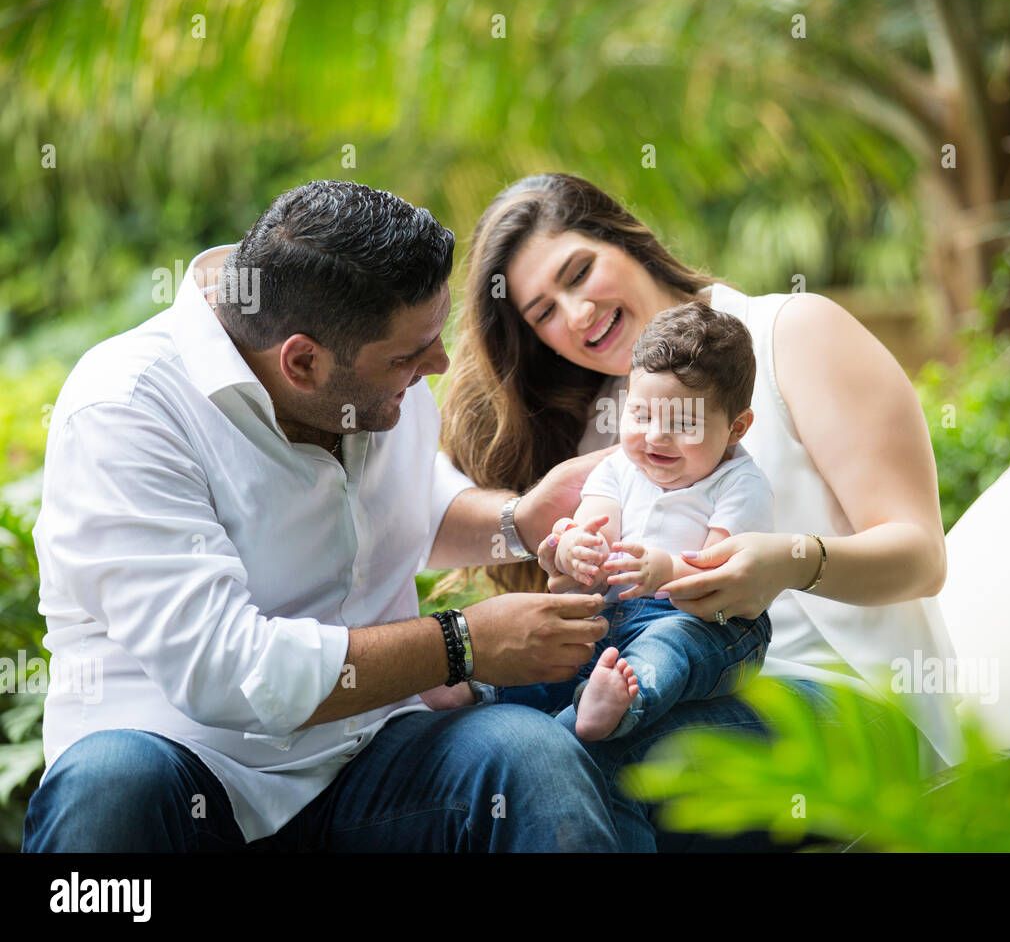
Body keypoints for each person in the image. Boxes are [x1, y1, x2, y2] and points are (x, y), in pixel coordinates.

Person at [23, 180, 621, 852]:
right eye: (410, 357)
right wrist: (460, 645)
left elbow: (407, 502)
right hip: (186, 775)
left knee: (526, 756)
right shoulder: (125, 409)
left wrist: (518, 521)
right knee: (110, 783)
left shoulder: (374, 372)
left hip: (369, 758)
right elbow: (225, 668)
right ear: (302, 361)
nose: (440, 365)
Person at [439, 172, 966, 851]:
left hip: (851, 707)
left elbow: (921, 556)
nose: (574, 314)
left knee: (592, 760)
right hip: (669, 688)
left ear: (629, 241)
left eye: (580, 272)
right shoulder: (610, 435)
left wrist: (788, 562)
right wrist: (573, 563)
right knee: (497, 753)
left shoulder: (791, 333)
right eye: (542, 312)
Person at [457, 302, 776, 742]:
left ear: (737, 427)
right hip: (617, 612)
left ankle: (628, 699)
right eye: (642, 415)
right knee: (566, 642)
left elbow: (725, 574)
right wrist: (574, 548)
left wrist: (665, 570)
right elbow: (594, 531)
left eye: (684, 423)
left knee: (669, 647)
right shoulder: (618, 468)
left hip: (712, 623)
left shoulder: (740, 483)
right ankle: (483, 688)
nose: (656, 436)